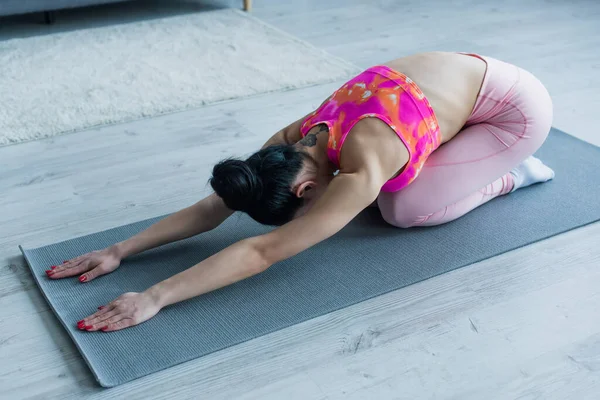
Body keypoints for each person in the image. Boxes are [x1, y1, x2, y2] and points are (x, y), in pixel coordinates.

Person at [46, 52, 555, 332]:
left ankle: (513, 173)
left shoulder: (363, 163)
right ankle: (471, 157)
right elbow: (216, 207)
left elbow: (262, 252)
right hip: (469, 83)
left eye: (306, 206)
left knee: (401, 208)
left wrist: (155, 297)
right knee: (379, 198)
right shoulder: (292, 142)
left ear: (307, 187)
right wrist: (120, 250)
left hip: (515, 111)